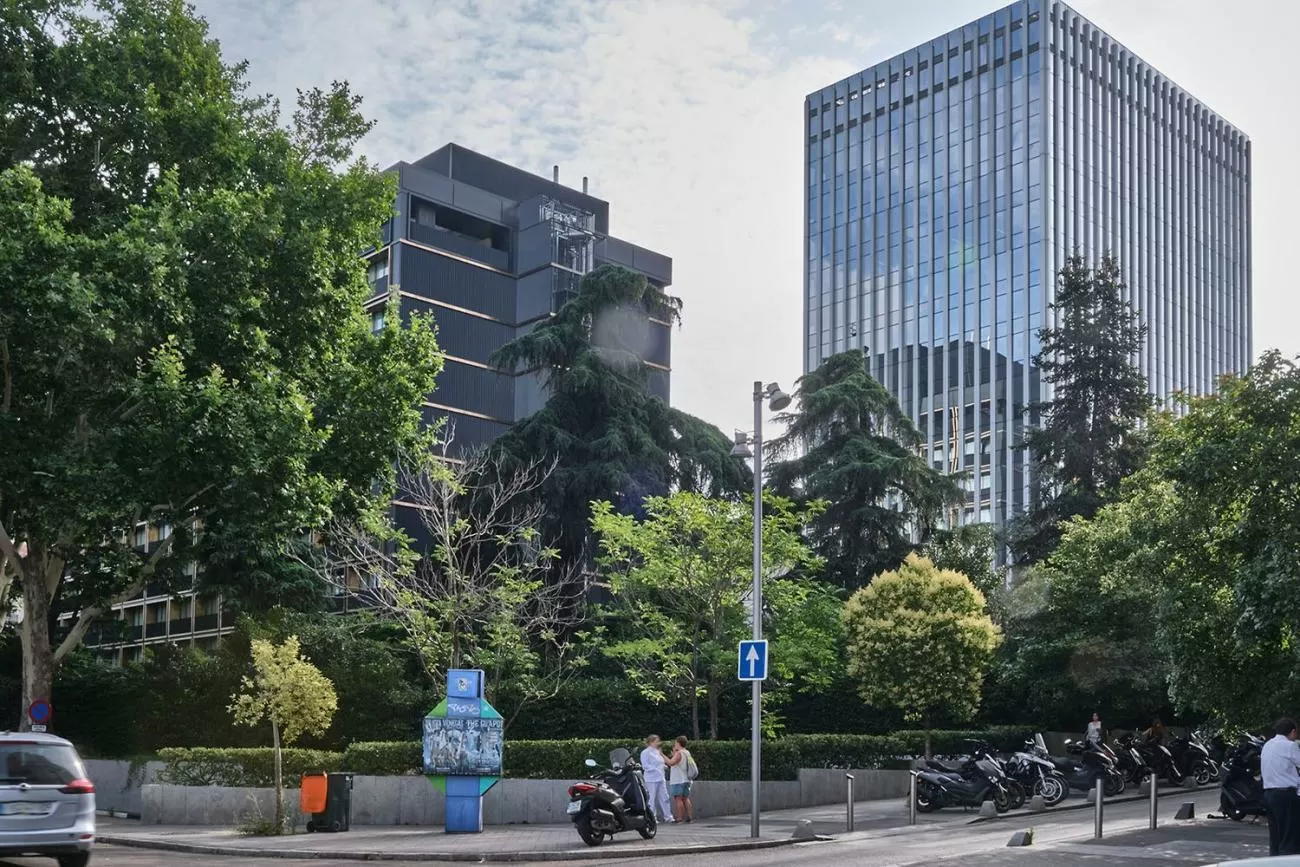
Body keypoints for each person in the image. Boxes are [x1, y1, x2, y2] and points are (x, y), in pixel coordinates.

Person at [1261, 717, 1300, 857]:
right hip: (1286, 795)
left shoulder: (1267, 745)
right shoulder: (1290, 746)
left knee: (1276, 836)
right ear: (1293, 731)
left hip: (1269, 794)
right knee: (1290, 836)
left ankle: (1275, 860)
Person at [640, 735, 674, 824]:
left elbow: (660, 762)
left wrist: (663, 767)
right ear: (651, 742)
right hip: (651, 779)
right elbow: (645, 766)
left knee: (664, 797)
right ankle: (652, 817)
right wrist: (655, 769)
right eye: (656, 741)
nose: (658, 743)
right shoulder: (645, 752)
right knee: (652, 798)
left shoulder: (657, 752)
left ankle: (668, 816)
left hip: (660, 778)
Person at [665, 735, 695, 823]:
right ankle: (689, 817)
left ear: (678, 743)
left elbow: (671, 763)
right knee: (685, 798)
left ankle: (679, 818)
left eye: (675, 742)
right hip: (687, 779)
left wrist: (662, 754)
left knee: (678, 799)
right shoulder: (687, 752)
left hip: (678, 780)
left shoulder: (680, 753)